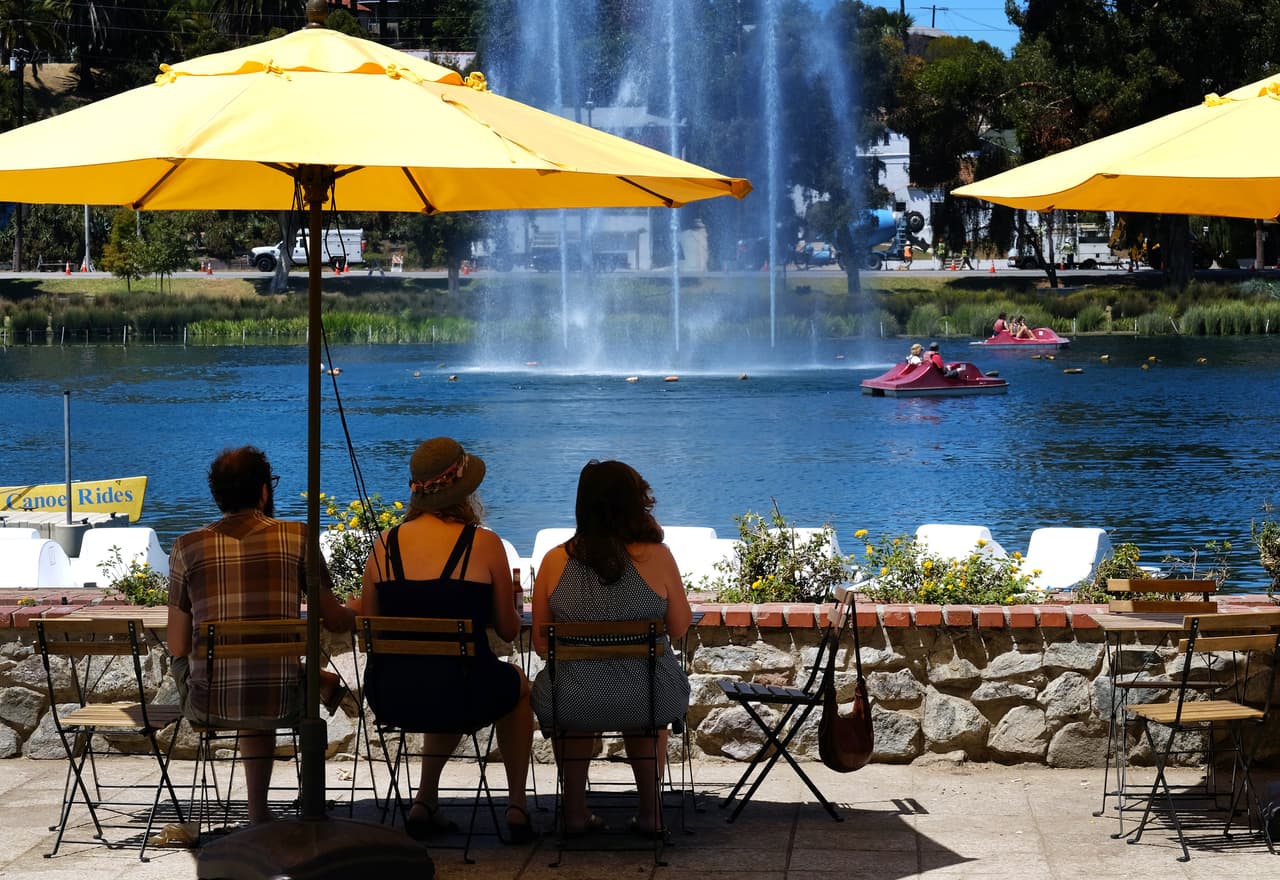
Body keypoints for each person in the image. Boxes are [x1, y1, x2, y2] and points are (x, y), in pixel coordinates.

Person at [351, 437, 535, 843]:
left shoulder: (385, 544)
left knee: (441, 672)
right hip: (463, 690)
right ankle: (518, 805)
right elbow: (507, 630)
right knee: (515, 686)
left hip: (393, 694)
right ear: (464, 491)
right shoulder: (483, 543)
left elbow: (369, 630)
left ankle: (425, 800)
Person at [166, 446, 356, 827]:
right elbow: (334, 619)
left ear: (217, 494)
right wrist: (360, 606)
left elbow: (177, 645)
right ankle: (313, 682)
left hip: (210, 700)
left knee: (245, 673)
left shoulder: (186, 547)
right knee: (267, 678)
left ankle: (258, 812)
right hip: (280, 697)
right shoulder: (298, 537)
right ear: (264, 491)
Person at [530, 460, 693, 837]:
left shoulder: (555, 561)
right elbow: (680, 627)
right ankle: (651, 813)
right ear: (634, 502)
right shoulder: (657, 556)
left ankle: (573, 811)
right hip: (648, 696)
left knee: (572, 693)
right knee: (646, 704)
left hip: (571, 699)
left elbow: (541, 643)